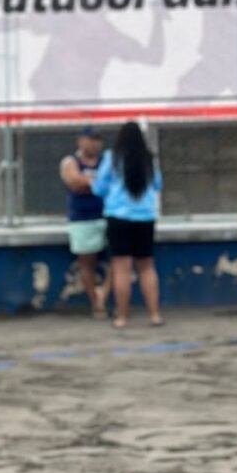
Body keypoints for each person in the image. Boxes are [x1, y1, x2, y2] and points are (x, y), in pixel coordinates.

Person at [91, 121, 164, 330]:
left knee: (122, 268)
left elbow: (99, 188)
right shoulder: (149, 160)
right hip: (145, 217)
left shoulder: (111, 158)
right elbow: (158, 184)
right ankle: (155, 315)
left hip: (119, 217)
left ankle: (122, 317)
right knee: (147, 267)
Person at [59, 126, 111, 319]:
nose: (95, 143)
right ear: (80, 141)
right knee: (86, 262)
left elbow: (114, 183)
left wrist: (89, 182)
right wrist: (96, 182)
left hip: (108, 215)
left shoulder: (107, 161)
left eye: (98, 139)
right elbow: (75, 182)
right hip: (82, 218)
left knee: (119, 258)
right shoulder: (70, 161)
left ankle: (104, 292)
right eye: (91, 139)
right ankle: (96, 302)